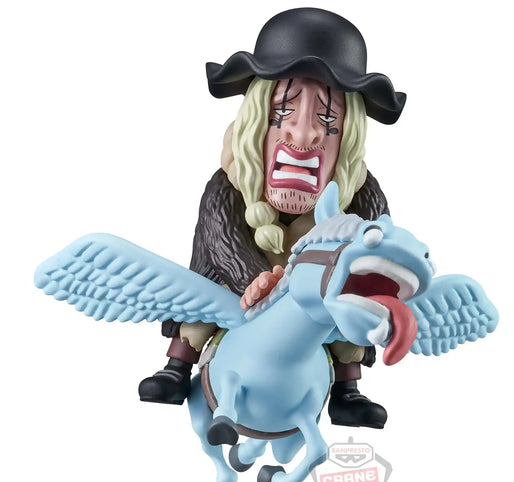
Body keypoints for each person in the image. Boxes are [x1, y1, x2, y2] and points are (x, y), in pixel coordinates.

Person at [138, 7, 406, 429]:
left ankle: (346, 389)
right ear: (256, 120)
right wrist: (256, 281)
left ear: (348, 135)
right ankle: (178, 364)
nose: (304, 134)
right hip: (238, 289)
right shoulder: (226, 188)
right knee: (202, 298)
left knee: (347, 319)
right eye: (284, 111)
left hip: (317, 300)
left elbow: (373, 248)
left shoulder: (363, 196)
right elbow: (221, 242)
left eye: (328, 119)